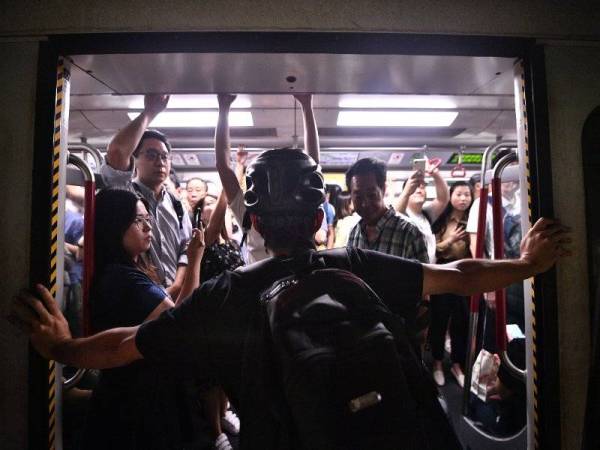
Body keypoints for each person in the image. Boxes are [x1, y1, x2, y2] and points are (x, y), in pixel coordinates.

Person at [12, 149, 570, 450]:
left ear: (251, 220)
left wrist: (63, 347)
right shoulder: (354, 263)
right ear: (317, 218)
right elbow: (455, 275)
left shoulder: (227, 294)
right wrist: (526, 265)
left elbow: (130, 345)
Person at [81, 188, 206, 449]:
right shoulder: (123, 279)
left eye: (148, 219)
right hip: (140, 399)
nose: (148, 227)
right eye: (139, 221)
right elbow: (178, 322)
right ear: (115, 224)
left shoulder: (125, 272)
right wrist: (194, 261)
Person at [100, 94, 193, 298]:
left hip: (174, 296)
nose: (160, 162)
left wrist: (177, 286)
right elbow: (116, 152)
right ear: (135, 160)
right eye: (151, 155)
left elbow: (186, 248)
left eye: (164, 157)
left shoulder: (177, 205)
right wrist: (149, 113)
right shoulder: (125, 195)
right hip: (136, 295)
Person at [215, 93, 320, 264]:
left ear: (256, 223)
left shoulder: (251, 212)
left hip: (260, 286)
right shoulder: (302, 207)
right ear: (318, 220)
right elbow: (314, 163)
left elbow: (222, 166)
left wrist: (224, 108)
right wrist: (307, 106)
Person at [428, 181, 474, 387]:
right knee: (439, 318)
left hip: (465, 275)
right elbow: (433, 250)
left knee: (461, 321)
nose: (463, 199)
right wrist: (451, 239)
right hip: (442, 272)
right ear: (451, 196)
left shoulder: (473, 220)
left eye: (467, 195)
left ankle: (457, 364)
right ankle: (437, 362)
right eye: (459, 194)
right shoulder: (441, 220)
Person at [346, 157, 429, 264]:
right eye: (358, 197)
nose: (364, 204)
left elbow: (425, 279)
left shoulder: (410, 233)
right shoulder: (354, 233)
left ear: (383, 189)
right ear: (351, 196)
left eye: (371, 195)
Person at [395, 161, 449, 264]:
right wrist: (407, 191)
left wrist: (435, 174)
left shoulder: (426, 214)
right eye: (415, 187)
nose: (419, 190)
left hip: (429, 270)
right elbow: (395, 217)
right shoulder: (403, 213)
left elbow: (443, 199)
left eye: (422, 187)